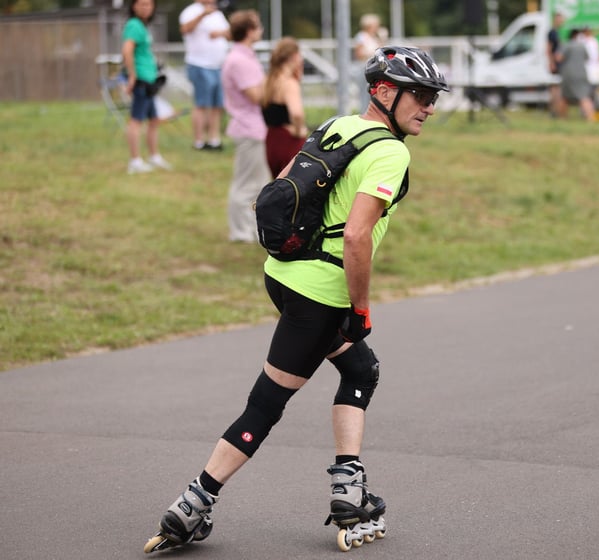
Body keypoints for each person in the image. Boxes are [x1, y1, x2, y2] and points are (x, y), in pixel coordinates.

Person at [144, 46, 449, 553]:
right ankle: (193, 504)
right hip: (320, 293)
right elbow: (357, 238)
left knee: (360, 369)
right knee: (267, 402)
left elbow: (284, 184)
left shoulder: (339, 125)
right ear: (384, 91)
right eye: (419, 95)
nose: (429, 107)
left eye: (432, 97)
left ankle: (348, 490)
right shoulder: (392, 152)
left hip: (282, 274)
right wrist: (359, 309)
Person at [221, 9, 272, 243]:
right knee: (245, 184)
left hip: (253, 127)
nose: (260, 30)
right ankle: (240, 233)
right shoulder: (239, 60)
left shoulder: (244, 56)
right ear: (249, 31)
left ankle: (250, 230)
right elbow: (255, 96)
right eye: (258, 26)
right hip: (248, 127)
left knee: (258, 183)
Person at [121, 0, 171, 174]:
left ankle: (154, 156)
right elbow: (127, 50)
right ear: (133, 6)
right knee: (136, 121)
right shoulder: (134, 25)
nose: (146, 8)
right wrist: (133, 76)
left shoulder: (143, 26)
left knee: (154, 120)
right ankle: (135, 161)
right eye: (141, 4)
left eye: (149, 4)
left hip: (150, 81)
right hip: (141, 81)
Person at [179, 0, 230, 151]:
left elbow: (228, 33)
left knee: (216, 105)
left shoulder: (218, 13)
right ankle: (199, 141)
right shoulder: (190, 11)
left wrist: (219, 33)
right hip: (199, 64)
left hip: (218, 65)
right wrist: (202, 15)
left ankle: (214, 139)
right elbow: (185, 29)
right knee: (201, 104)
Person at [262, 37, 308, 178]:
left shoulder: (268, 80)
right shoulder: (288, 83)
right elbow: (297, 113)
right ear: (294, 56)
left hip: (271, 141)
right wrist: (300, 130)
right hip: (288, 142)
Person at [558, 28, 595, 122]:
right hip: (582, 73)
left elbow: (558, 58)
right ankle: (591, 118)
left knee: (564, 97)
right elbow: (587, 58)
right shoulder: (582, 46)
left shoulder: (566, 45)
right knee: (584, 96)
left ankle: (562, 119)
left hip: (568, 74)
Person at [353, 14, 383, 113]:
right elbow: (358, 53)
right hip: (364, 68)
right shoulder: (361, 37)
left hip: (373, 68)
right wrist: (372, 53)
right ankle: (364, 114)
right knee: (365, 95)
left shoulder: (374, 37)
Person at [546, 11, 566, 118]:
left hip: (558, 64)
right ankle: (553, 111)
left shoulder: (558, 32)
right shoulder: (552, 32)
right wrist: (551, 63)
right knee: (555, 89)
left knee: (557, 89)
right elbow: (548, 49)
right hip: (555, 65)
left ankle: (557, 111)